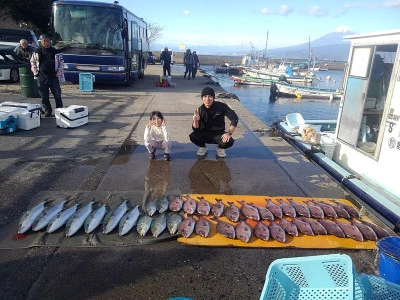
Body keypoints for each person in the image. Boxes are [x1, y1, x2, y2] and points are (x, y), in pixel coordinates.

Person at [190, 87, 238, 158]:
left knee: (229, 141)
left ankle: (220, 148)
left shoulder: (221, 106)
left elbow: (234, 118)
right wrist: (195, 121)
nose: (207, 99)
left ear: (213, 97)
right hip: (205, 133)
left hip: (219, 134)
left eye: (210, 96)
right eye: (205, 96)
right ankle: (203, 147)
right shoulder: (199, 110)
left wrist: (229, 133)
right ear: (202, 98)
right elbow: (196, 130)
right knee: (193, 136)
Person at [30, 34, 64, 117]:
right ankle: (47, 110)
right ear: (41, 42)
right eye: (44, 41)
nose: (46, 43)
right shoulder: (37, 52)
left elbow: (61, 63)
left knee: (57, 94)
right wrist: (36, 72)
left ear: (50, 41)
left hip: (53, 76)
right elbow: (33, 62)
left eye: (47, 41)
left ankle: (59, 110)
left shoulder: (56, 52)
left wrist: (59, 72)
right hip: (41, 77)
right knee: (44, 96)